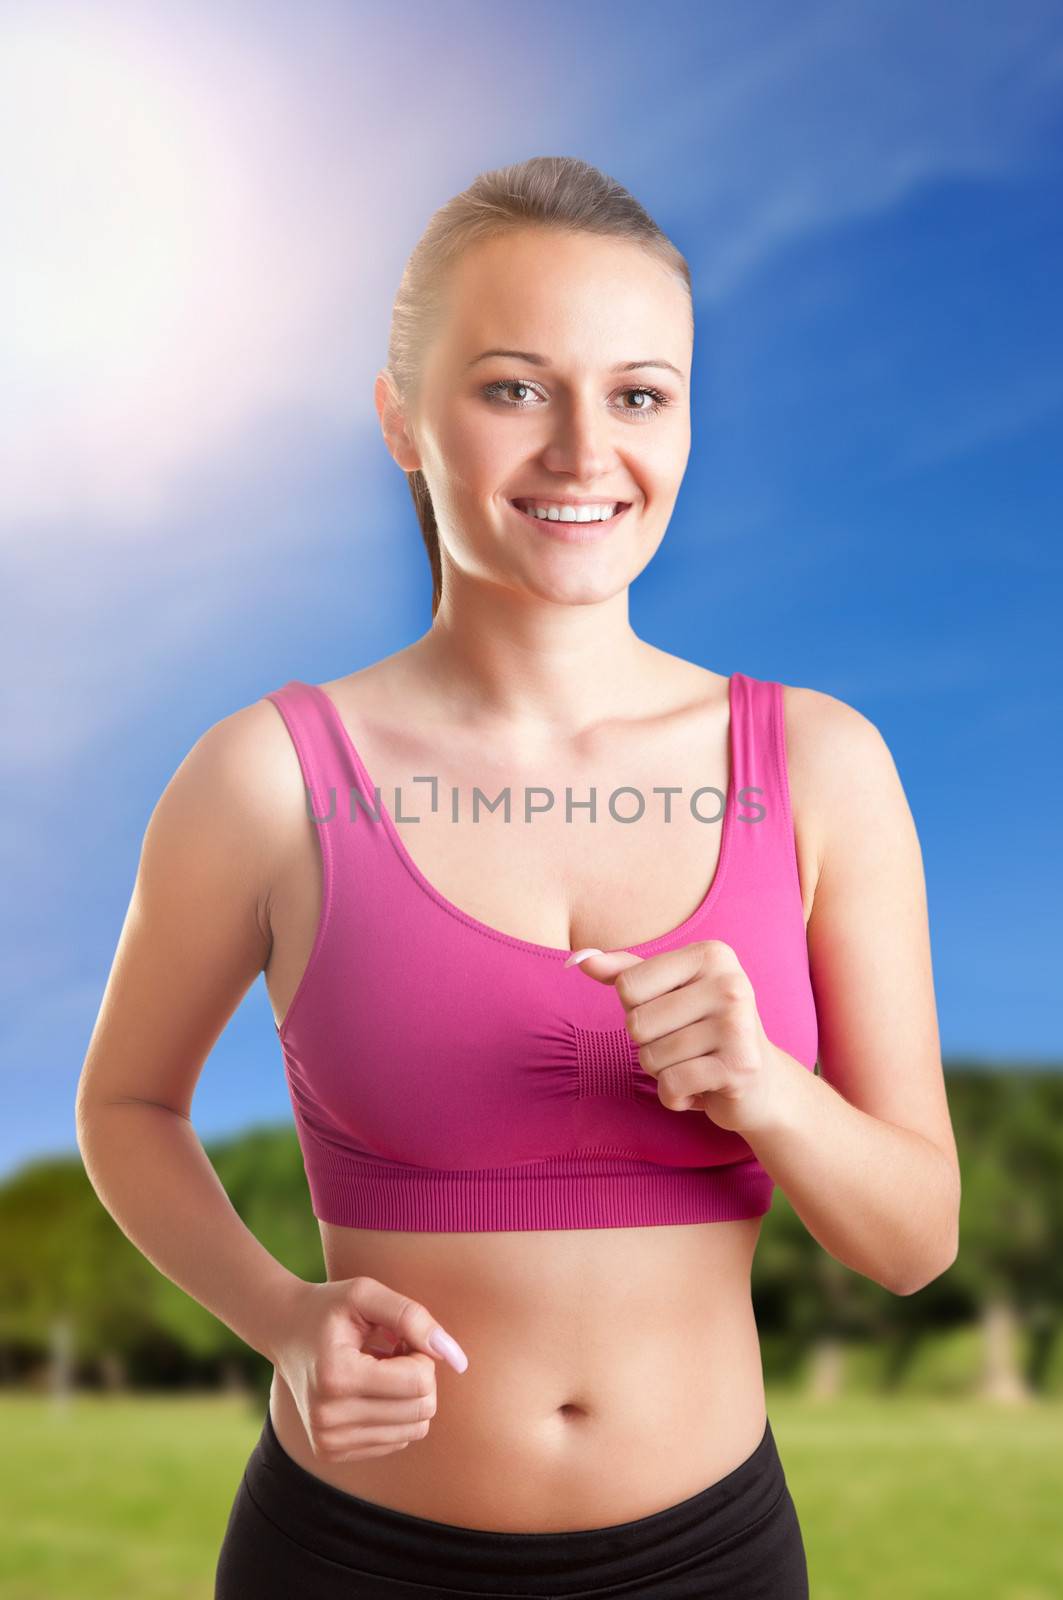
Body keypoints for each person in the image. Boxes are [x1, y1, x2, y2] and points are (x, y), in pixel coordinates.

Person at [75, 155, 961, 1598]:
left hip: (712, 1558)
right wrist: (283, 1318)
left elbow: (916, 1241)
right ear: (400, 421)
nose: (582, 452)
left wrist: (769, 1091)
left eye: (638, 394)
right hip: (348, 1551)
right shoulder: (266, 777)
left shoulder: (821, 766)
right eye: (512, 388)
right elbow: (125, 1105)